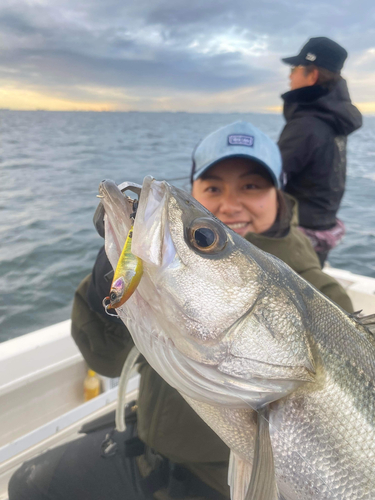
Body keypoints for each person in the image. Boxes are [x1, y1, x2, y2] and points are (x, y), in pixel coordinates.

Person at [9, 121, 353, 500]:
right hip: (146, 453)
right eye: (213, 187)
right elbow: (104, 360)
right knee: (27, 484)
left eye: (252, 186)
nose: (230, 203)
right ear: (195, 191)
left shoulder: (322, 295)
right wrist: (110, 274)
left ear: (279, 194)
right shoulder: (161, 281)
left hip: (216, 486)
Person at [278, 36, 362, 267]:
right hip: (321, 230)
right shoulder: (333, 121)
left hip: (297, 237)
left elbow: (267, 179)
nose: (290, 75)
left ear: (312, 74)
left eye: (295, 68)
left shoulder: (307, 125)